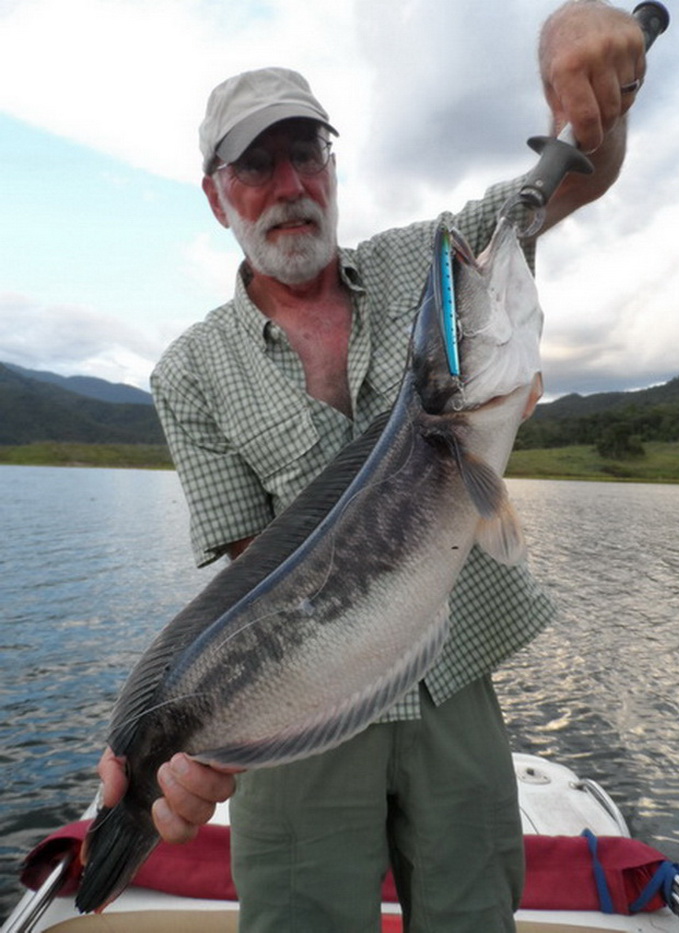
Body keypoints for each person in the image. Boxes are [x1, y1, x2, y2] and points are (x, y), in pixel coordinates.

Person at [97, 3, 648, 929]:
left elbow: (563, 184)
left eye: (305, 153)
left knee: (475, 912)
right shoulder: (188, 373)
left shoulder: (432, 263)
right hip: (300, 713)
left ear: (333, 166)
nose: (288, 184)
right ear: (215, 194)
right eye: (256, 165)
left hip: (453, 671)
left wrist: (588, 85)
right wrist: (210, 736)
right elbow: (254, 573)